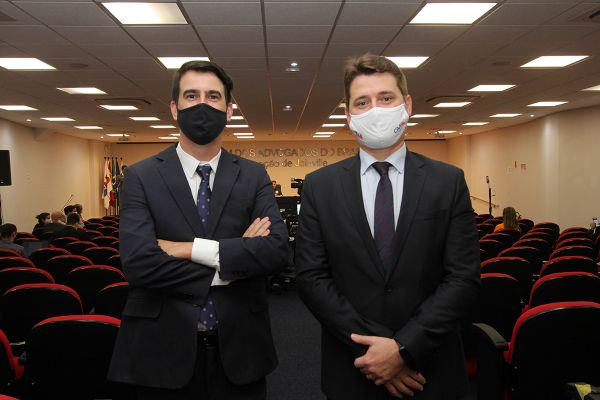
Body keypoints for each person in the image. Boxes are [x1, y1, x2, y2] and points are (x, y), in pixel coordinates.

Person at [295, 53, 480, 400]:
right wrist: (375, 352)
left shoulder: (447, 181)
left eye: (385, 98)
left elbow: (463, 277)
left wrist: (404, 348)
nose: (375, 110)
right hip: (354, 367)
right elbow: (311, 277)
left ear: (407, 105)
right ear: (349, 116)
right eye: (362, 102)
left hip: (431, 369)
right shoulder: (319, 186)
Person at [108, 60, 289, 399]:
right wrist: (234, 262)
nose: (202, 105)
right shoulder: (140, 176)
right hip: (160, 352)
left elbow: (277, 252)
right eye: (191, 96)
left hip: (241, 351)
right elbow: (139, 264)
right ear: (174, 109)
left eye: (213, 96)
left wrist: (189, 249)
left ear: (229, 110)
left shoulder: (253, 175)